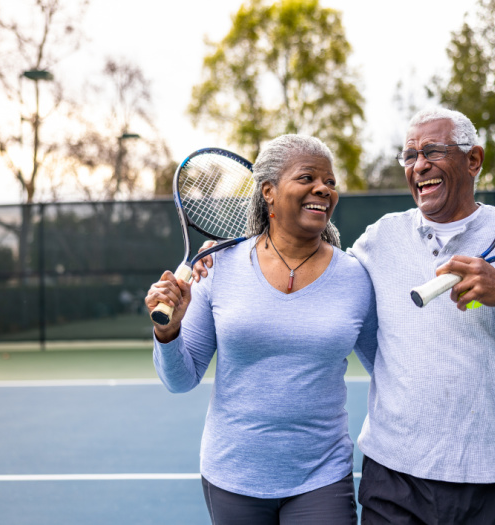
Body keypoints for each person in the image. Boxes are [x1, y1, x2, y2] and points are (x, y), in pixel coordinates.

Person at [349, 106, 495, 524]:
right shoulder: (380, 238)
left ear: (473, 160)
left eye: (433, 151)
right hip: (394, 479)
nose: (419, 165)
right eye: (410, 156)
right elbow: (347, 310)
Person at [145, 134, 378, 524]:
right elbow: (180, 380)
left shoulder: (355, 276)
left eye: (331, 182)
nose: (323, 188)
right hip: (232, 475)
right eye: (307, 178)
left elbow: (387, 370)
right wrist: (169, 332)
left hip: (321, 476)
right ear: (268, 191)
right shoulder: (217, 266)